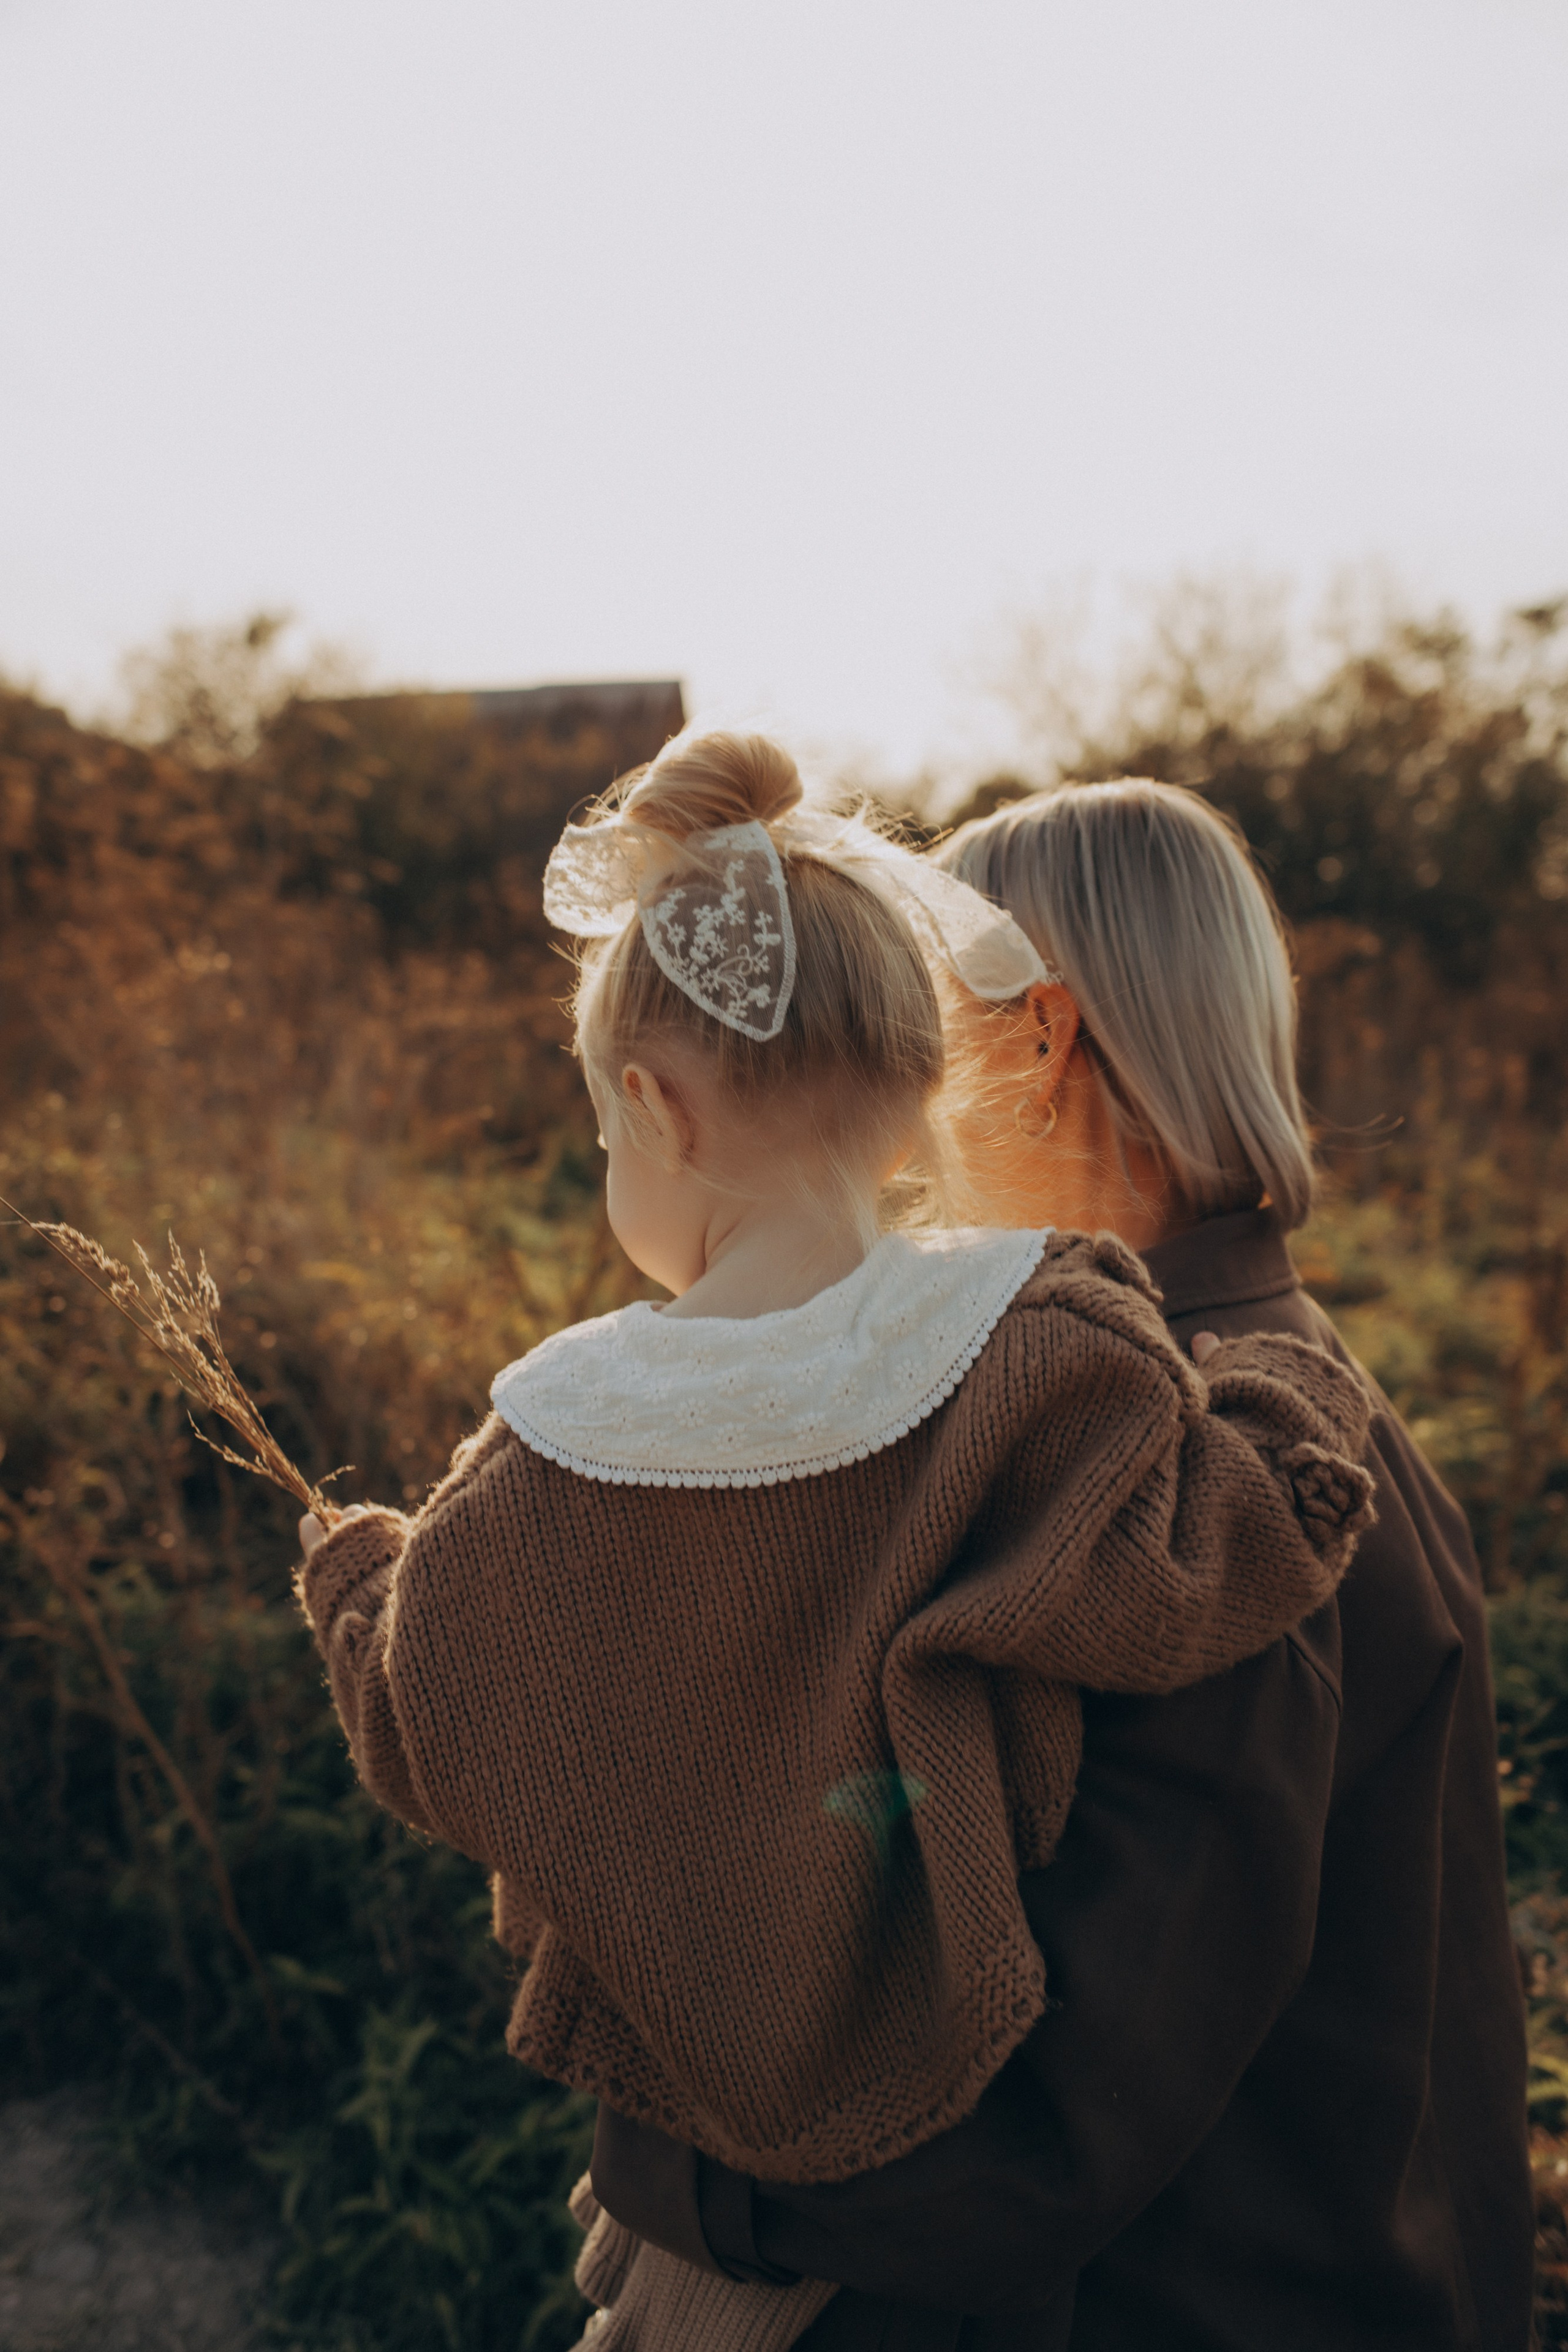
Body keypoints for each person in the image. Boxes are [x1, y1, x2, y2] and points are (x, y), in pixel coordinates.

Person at [293, 737, 1376, 2352]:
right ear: (925, 1086)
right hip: (956, 2079)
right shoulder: (1043, 1351)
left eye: (603, 1137)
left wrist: (357, 1587)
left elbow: (434, 1725)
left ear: (651, 1109)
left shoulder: (554, 1437)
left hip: (690, 2106)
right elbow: (1195, 1568)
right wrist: (1290, 1395)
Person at [590, 775, 1535, 2351]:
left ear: (1034, 1041)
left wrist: (668, 2175)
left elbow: (1042, 2124)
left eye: (915, 1033)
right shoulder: (1264, 1383)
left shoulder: (1192, 1470)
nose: (885, 1098)